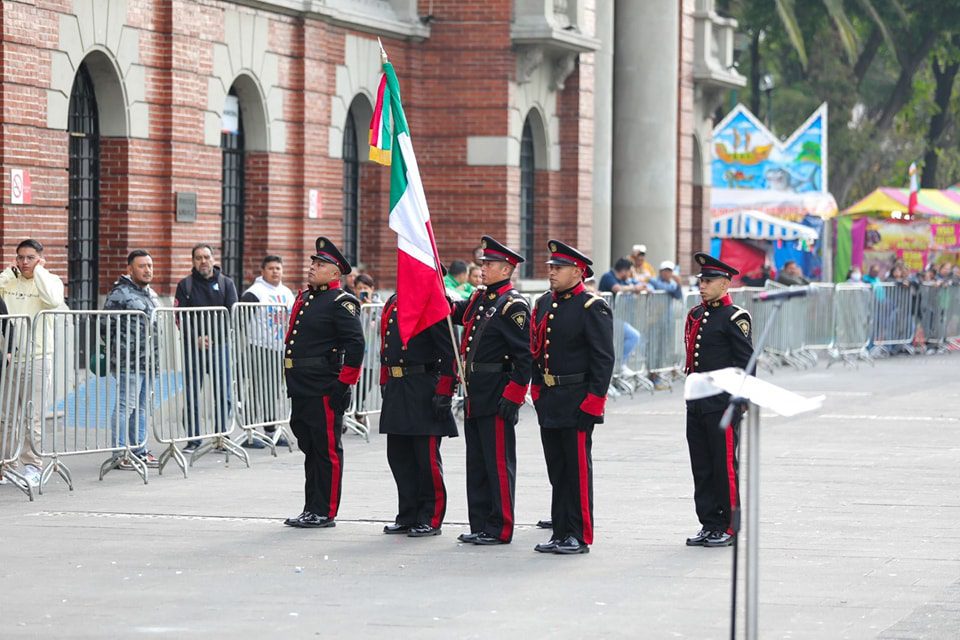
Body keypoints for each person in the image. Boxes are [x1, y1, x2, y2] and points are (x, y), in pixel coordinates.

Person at [530, 241, 614, 555]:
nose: (552, 272)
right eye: (551, 267)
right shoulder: (543, 304)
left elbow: (603, 359)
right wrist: (537, 389)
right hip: (551, 397)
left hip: (577, 397)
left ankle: (578, 534)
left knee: (577, 470)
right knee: (557, 469)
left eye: (559, 268)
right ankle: (560, 530)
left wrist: (593, 402)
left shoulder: (592, 306)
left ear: (578, 272)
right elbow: (536, 351)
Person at [451, 236, 532, 545]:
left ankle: (499, 527)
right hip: (475, 392)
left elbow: (525, 357)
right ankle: (481, 522)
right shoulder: (481, 298)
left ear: (507, 268)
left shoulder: (513, 305)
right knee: (478, 462)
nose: (482, 268)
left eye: (488, 264)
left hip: (496, 392)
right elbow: (455, 312)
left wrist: (514, 395)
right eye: (482, 263)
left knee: (497, 464)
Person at [282, 237, 364, 529]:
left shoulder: (342, 302)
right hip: (301, 385)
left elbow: (355, 345)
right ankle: (311, 507)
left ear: (335, 273)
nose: (312, 268)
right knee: (310, 447)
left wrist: (344, 384)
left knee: (326, 449)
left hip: (323, 385)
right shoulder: (306, 299)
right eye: (313, 263)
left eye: (320, 264)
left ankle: (325, 510)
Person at [683, 252, 753, 548]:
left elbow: (746, 363)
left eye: (709, 281)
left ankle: (728, 526)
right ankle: (709, 522)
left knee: (724, 466)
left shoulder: (735, 317)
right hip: (697, 402)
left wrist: (740, 402)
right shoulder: (696, 315)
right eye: (701, 280)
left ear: (725, 284)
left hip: (721, 403)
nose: (702, 285)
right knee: (701, 465)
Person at [378, 287, 458, 538]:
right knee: (399, 456)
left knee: (426, 459)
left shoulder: (432, 303)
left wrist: (445, 391)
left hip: (423, 385)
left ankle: (430, 516)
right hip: (398, 386)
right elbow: (386, 346)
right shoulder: (394, 301)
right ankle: (408, 514)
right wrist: (385, 380)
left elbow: (449, 352)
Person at [0, 239, 66, 488]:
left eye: (30, 258)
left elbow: (52, 301)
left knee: (32, 415)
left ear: (40, 258)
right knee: (5, 416)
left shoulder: (49, 280)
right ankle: (6, 464)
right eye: (20, 257)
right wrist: (8, 274)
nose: (24, 262)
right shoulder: (9, 281)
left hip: (36, 359)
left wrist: (39, 272)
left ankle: (32, 465)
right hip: (9, 357)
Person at [174, 244, 239, 452]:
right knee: (192, 393)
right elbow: (179, 316)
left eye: (207, 257)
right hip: (193, 348)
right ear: (193, 261)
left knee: (224, 394)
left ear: (213, 259)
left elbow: (232, 315)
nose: (203, 261)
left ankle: (222, 437)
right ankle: (194, 439)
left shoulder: (226, 283)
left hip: (220, 346)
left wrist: (213, 337)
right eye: (199, 258)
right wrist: (196, 338)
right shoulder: (185, 285)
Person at [102, 250, 161, 471]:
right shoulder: (120, 294)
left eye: (150, 266)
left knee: (143, 406)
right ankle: (119, 453)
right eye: (142, 266)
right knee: (125, 406)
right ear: (130, 269)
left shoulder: (150, 293)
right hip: (129, 361)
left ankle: (139, 450)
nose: (147, 270)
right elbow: (105, 327)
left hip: (149, 361)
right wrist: (122, 350)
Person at [238, 255, 296, 449]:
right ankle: (250, 432)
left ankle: (271, 429)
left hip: (281, 348)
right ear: (262, 271)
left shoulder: (287, 292)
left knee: (275, 390)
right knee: (257, 389)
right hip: (259, 347)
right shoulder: (254, 293)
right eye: (271, 268)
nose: (275, 272)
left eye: (278, 268)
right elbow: (240, 322)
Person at [598, 258, 645, 374]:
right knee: (634, 336)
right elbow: (617, 289)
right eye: (629, 271)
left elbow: (638, 284)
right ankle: (619, 365)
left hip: (616, 318)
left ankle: (618, 367)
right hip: (605, 318)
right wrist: (634, 289)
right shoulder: (608, 276)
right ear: (624, 271)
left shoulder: (623, 280)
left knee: (630, 338)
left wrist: (638, 286)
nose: (630, 275)